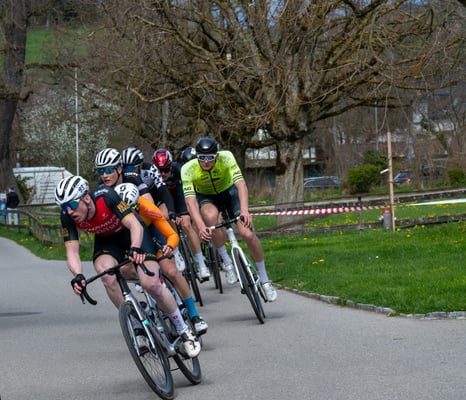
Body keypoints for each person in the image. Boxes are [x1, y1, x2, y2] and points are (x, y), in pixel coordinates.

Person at [55, 175, 200, 357]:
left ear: (86, 198)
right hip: (107, 241)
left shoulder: (106, 196)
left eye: (72, 204)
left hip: (133, 233)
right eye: (64, 207)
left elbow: (134, 225)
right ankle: (136, 326)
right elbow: (72, 251)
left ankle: (183, 329)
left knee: (151, 284)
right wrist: (78, 275)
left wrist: (135, 247)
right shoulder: (67, 216)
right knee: (106, 275)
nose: (69, 211)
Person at [180, 137, 278, 302]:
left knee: (247, 234)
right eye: (201, 158)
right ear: (197, 156)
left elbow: (241, 185)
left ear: (217, 156)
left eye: (210, 157)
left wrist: (245, 211)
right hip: (207, 197)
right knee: (210, 217)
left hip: (229, 193)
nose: (205, 162)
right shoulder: (188, 169)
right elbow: (190, 202)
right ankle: (227, 262)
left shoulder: (227, 157)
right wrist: (201, 226)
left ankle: (265, 280)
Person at [114, 182, 208, 335]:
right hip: (131, 241)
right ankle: (147, 304)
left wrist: (169, 246)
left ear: (138, 204)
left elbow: (172, 235)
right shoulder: (114, 215)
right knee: (124, 269)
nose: (130, 214)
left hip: (153, 235)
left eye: (134, 208)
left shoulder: (147, 207)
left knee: (171, 271)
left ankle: (194, 315)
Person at [152, 148, 210, 281]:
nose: (163, 174)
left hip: (179, 197)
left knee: (186, 225)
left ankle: (202, 264)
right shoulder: (151, 174)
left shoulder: (179, 169)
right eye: (159, 171)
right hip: (164, 200)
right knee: (166, 219)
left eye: (166, 169)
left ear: (171, 165)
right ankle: (177, 251)